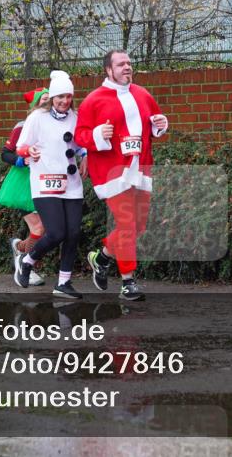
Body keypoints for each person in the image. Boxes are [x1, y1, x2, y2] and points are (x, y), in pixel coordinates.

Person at [76, 50, 169, 301]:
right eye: (121, 64)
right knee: (127, 225)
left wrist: (160, 125)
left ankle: (102, 257)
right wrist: (97, 134)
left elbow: (154, 125)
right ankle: (128, 282)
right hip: (112, 173)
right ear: (109, 70)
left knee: (138, 226)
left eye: (129, 63)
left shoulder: (143, 94)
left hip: (140, 168)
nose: (127, 67)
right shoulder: (93, 100)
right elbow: (80, 136)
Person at [12, 70, 88, 299]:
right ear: (52, 98)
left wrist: (84, 155)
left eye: (68, 96)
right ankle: (27, 261)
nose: (64, 101)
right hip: (44, 181)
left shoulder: (76, 117)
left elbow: (79, 144)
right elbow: (21, 147)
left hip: (71, 182)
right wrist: (29, 151)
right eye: (60, 97)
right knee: (55, 233)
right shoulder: (37, 117)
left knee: (73, 233)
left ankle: (63, 282)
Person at [0, 87, 50, 287]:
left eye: (49, 99)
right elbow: (5, 153)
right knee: (39, 227)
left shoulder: (57, 125)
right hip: (24, 185)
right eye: (43, 100)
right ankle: (26, 264)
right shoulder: (22, 125)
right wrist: (23, 161)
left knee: (50, 229)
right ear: (35, 104)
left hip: (48, 182)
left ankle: (20, 248)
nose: (48, 103)